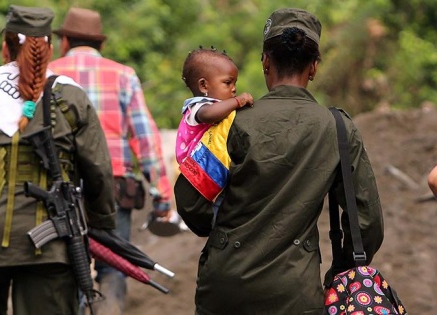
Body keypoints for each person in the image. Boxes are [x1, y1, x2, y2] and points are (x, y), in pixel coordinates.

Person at [174, 8, 385, 314]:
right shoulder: (338, 129)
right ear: (313, 67)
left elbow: (192, 204)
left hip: (225, 289)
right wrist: (337, 275)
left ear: (265, 62)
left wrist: (223, 233)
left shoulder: (230, 123)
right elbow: (368, 223)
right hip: (295, 291)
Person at [0, 5, 116, 315]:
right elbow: (98, 170)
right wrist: (102, 225)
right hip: (51, 240)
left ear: (5, 46)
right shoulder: (71, 97)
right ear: (50, 49)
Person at [48, 7, 174, 315]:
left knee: (64, 268)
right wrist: (162, 196)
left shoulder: (47, 74)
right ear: (100, 44)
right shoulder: (123, 75)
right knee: (114, 267)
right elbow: (144, 138)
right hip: (112, 185)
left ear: (64, 42)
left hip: (56, 189)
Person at [176, 47, 253, 225]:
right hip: (201, 173)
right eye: (228, 83)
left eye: (235, 83)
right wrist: (237, 102)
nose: (234, 89)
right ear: (204, 85)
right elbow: (210, 114)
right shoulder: (198, 107)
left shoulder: (218, 105)